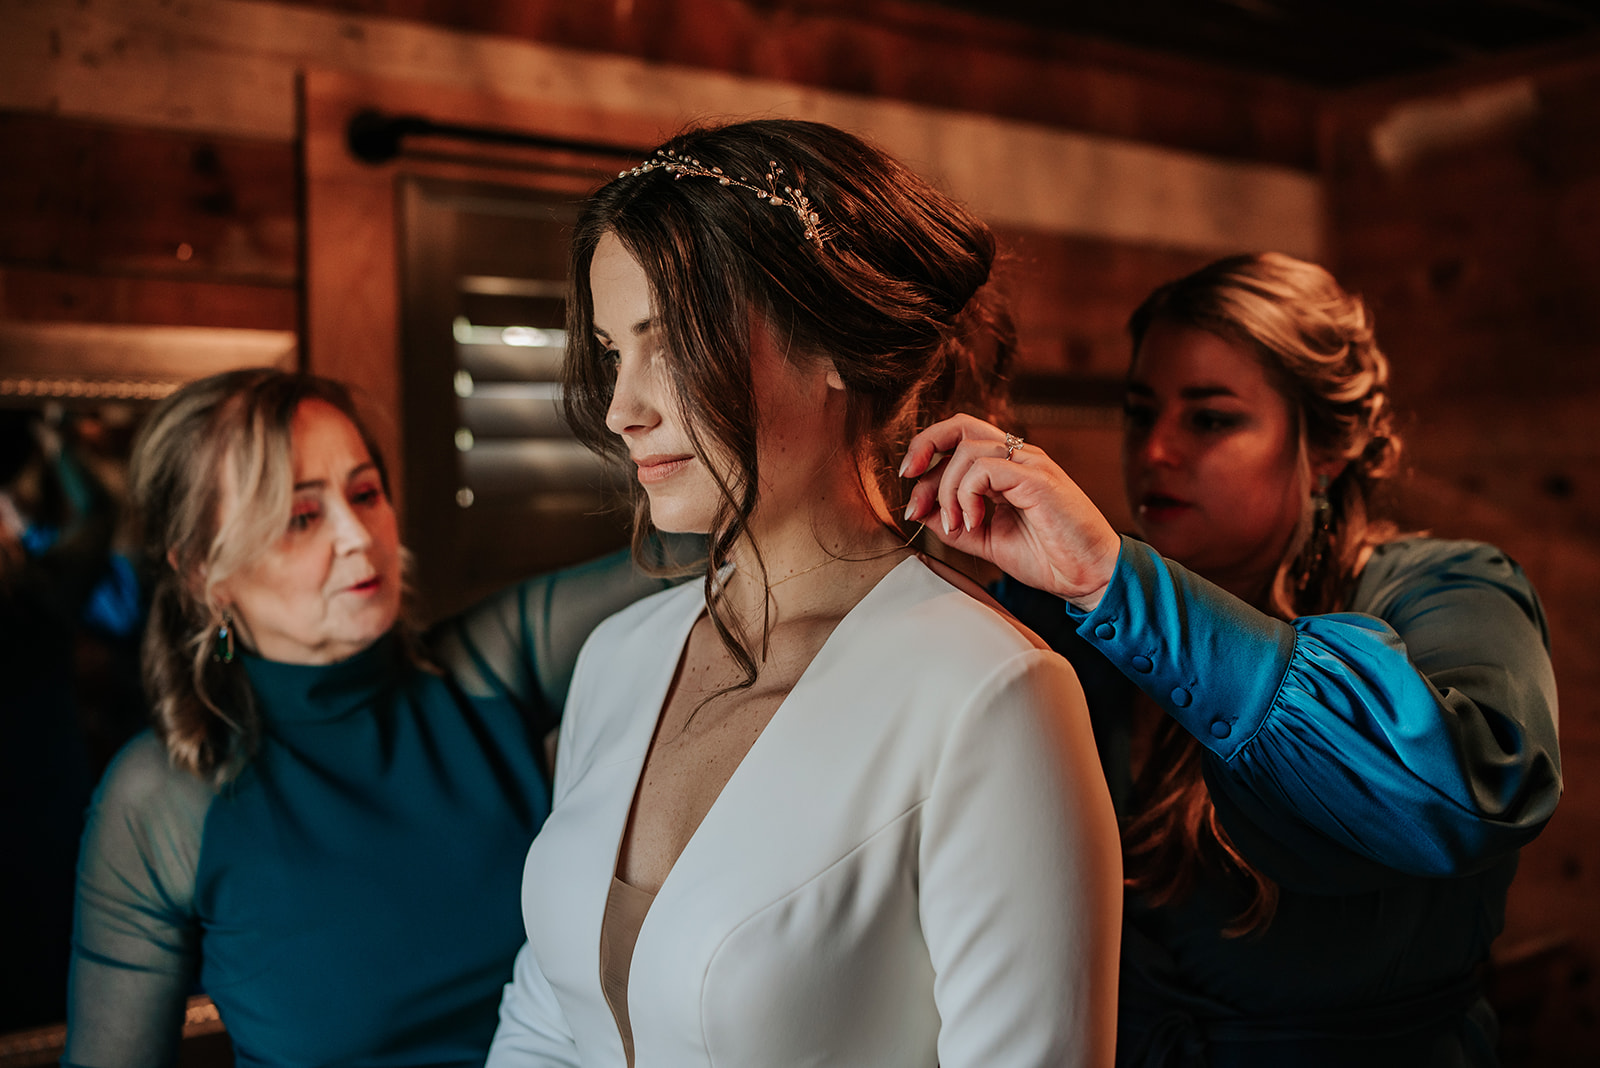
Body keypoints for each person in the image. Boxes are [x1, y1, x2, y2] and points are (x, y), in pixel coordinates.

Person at [486, 118, 1122, 1067]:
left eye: (671, 345)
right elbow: (544, 1024)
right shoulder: (621, 660)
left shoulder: (991, 696)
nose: (625, 408)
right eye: (616, 353)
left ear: (834, 349)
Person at [901, 251, 1561, 1067]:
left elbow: (1469, 793)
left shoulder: (1446, 587)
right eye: (1141, 413)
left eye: (1210, 419)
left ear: (1324, 447)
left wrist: (1115, 579)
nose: (1157, 452)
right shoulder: (1072, 615)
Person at [64, 370, 680, 1067]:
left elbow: (696, 553)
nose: (358, 536)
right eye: (301, 517)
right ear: (204, 571)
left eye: (364, 493)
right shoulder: (161, 802)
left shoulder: (489, 666)